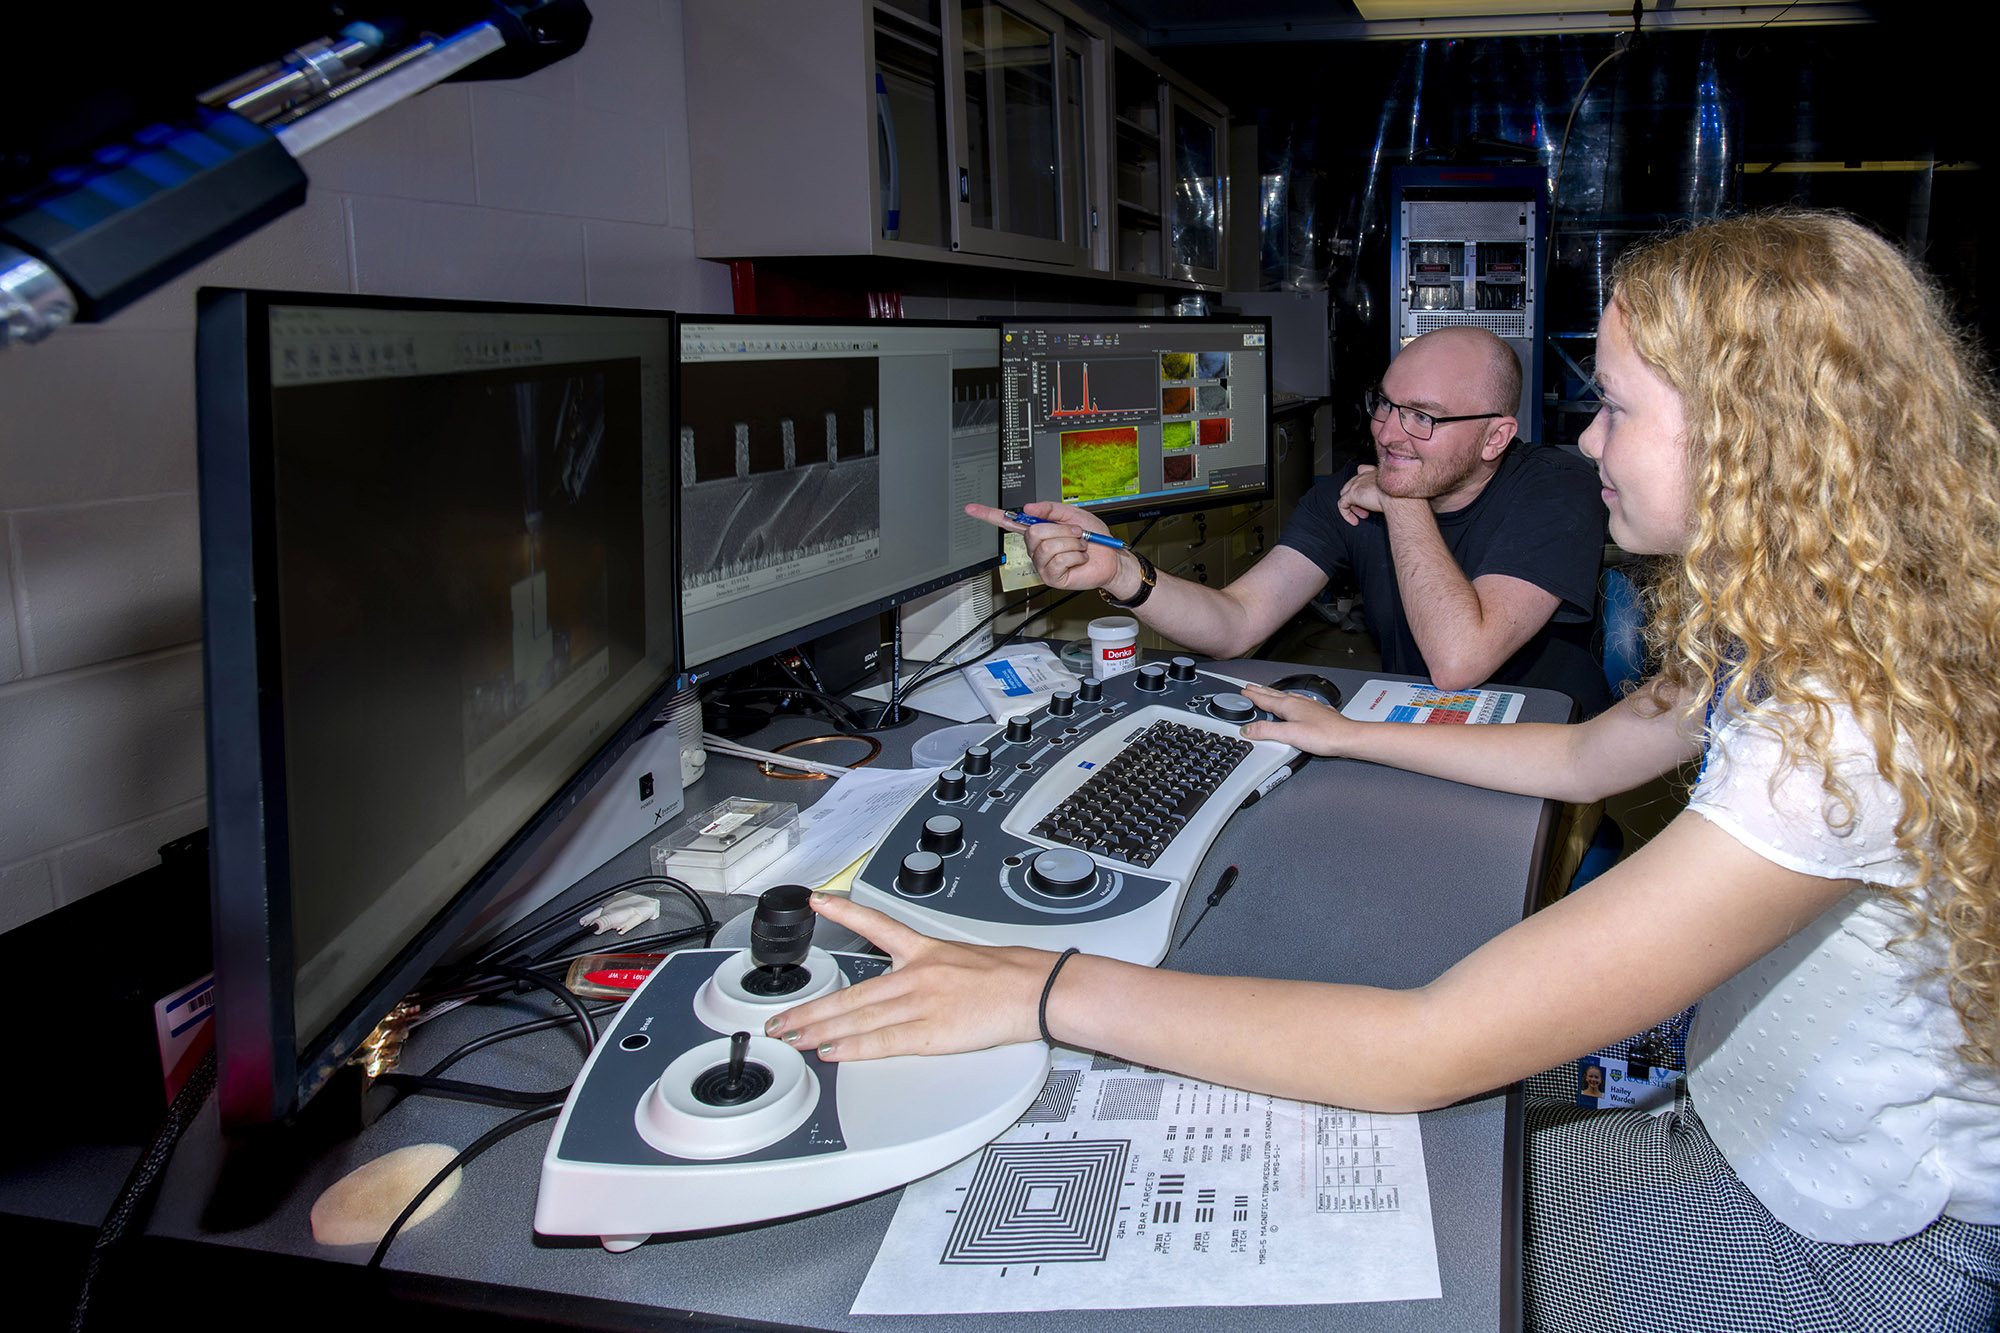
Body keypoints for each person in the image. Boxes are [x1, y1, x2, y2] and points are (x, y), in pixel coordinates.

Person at [777, 212, 2000, 1330]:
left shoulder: (1839, 735)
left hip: (1851, 1243)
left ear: (1753, 442)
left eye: (1618, 409)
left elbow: (1426, 1045)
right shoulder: (1807, 634)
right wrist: (1349, 731)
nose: (1590, 438)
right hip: (1747, 1123)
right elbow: (1587, 751)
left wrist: (1039, 986)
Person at [971, 324, 1612, 717]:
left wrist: (1401, 500)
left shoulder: (1559, 490)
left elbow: (1459, 661)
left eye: (1423, 417)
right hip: (1424, 727)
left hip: (1546, 740)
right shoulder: (1349, 493)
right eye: (1385, 404)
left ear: (1496, 437)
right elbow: (1236, 623)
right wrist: (1121, 571)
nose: (1389, 433)